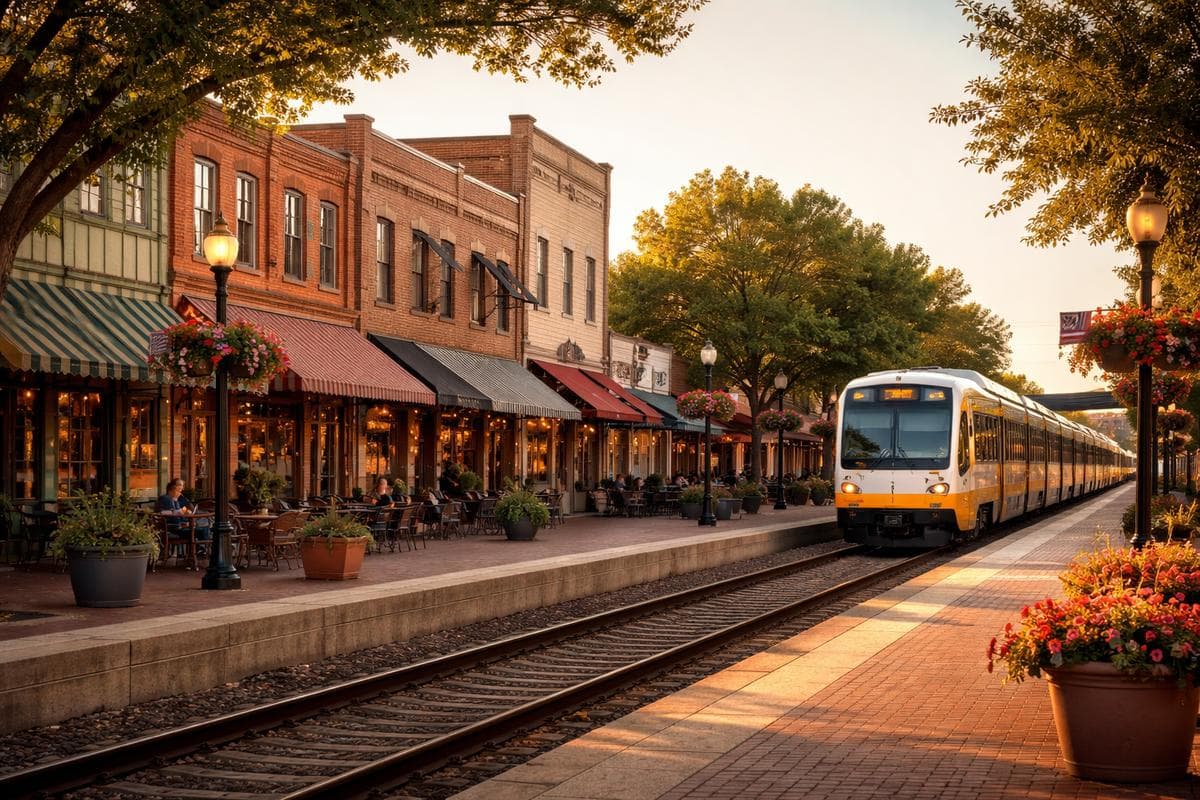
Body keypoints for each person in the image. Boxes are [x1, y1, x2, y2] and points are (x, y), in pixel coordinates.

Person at [158, 477, 210, 552]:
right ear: (174, 488)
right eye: (180, 489)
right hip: (173, 530)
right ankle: (202, 550)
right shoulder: (166, 499)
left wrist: (185, 522)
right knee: (203, 530)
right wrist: (181, 515)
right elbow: (165, 514)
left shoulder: (174, 499)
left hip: (176, 528)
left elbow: (177, 517)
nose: (182, 490)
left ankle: (201, 549)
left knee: (202, 527)